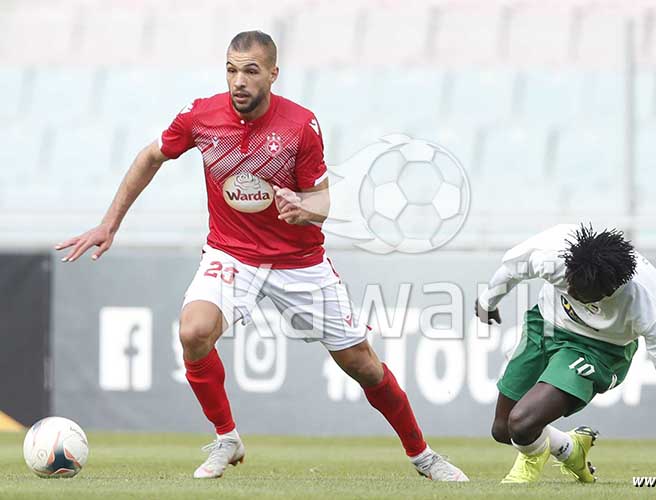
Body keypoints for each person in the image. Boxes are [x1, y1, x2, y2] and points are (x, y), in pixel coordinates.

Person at [56, 30, 467, 482]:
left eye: (251, 71)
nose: (239, 81)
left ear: (273, 73)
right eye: (232, 69)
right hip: (231, 255)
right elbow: (151, 156)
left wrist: (302, 207)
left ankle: (422, 454)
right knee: (193, 332)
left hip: (299, 263)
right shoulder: (200, 117)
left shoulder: (300, 125)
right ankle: (226, 436)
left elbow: (323, 203)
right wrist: (109, 223)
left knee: (362, 365)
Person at [475, 223, 656, 484]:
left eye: (583, 296)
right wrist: (488, 301)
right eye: (570, 286)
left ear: (612, 290)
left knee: (521, 425)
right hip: (545, 326)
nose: (572, 293)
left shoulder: (648, 305)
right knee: (502, 429)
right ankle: (570, 448)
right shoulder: (556, 258)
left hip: (599, 350)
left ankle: (535, 458)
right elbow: (513, 269)